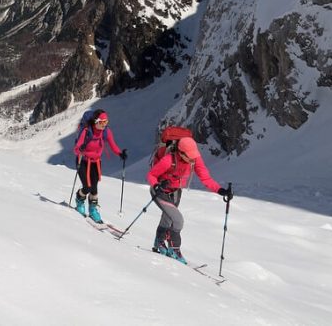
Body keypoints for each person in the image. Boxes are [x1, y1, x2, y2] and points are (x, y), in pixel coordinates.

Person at [146, 135, 233, 264]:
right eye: (189, 156)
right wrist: (157, 185)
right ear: (181, 153)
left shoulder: (194, 159)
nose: (193, 159)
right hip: (160, 191)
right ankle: (174, 249)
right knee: (178, 220)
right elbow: (151, 175)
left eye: (194, 155)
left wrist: (221, 191)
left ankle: (159, 242)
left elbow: (206, 178)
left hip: (175, 192)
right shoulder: (168, 160)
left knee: (168, 218)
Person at [72, 109, 127, 223]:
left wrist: (120, 153)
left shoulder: (106, 132)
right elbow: (76, 149)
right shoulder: (86, 131)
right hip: (83, 161)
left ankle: (92, 209)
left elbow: (113, 145)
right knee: (87, 187)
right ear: (95, 121)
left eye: (106, 122)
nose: (104, 125)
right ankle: (79, 200)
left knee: (94, 188)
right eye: (102, 122)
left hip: (95, 162)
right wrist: (81, 150)